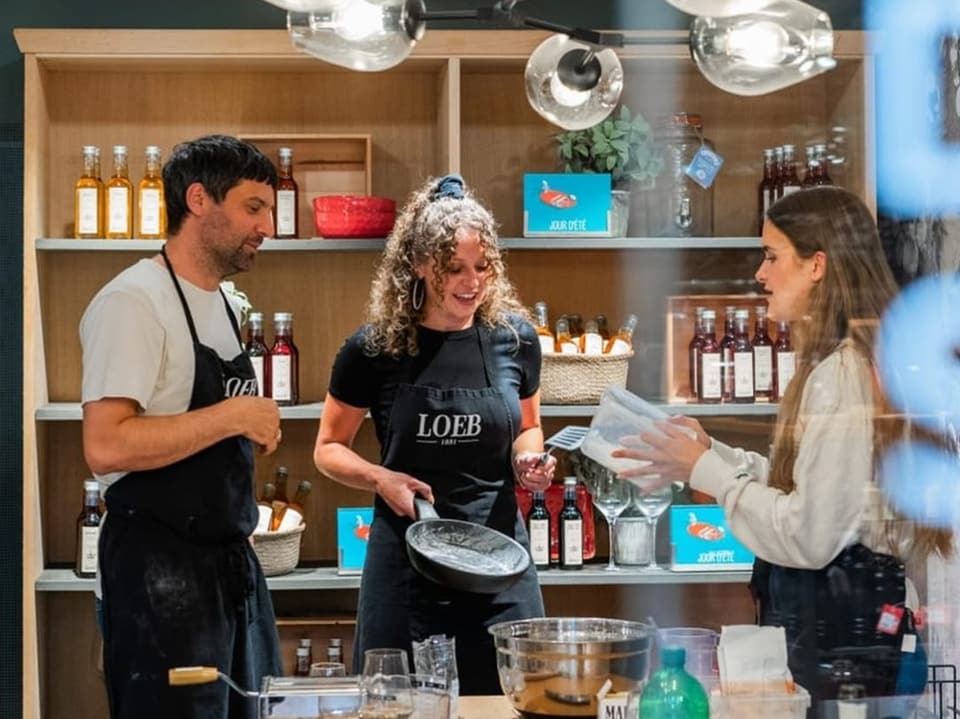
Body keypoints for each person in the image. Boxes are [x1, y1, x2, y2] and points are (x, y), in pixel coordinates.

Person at [612, 186, 952, 717]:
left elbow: (810, 535)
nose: (759, 274)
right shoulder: (856, 361)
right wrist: (713, 454)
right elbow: (824, 490)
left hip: (845, 652)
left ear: (817, 265)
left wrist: (710, 472)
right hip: (863, 644)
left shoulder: (841, 376)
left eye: (772, 256)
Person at [313, 174, 556, 694]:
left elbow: (529, 427)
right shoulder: (372, 350)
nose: (472, 282)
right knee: (399, 704)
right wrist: (381, 479)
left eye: (482, 267)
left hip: (499, 560)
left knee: (515, 698)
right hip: (405, 563)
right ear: (420, 265)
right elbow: (328, 449)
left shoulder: (514, 340)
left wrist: (527, 464)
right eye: (454, 269)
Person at [81, 134, 284, 719]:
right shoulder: (134, 302)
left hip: (229, 572)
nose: (267, 224)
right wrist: (231, 416)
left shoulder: (222, 303)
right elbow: (105, 445)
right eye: (253, 207)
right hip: (158, 580)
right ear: (198, 199)